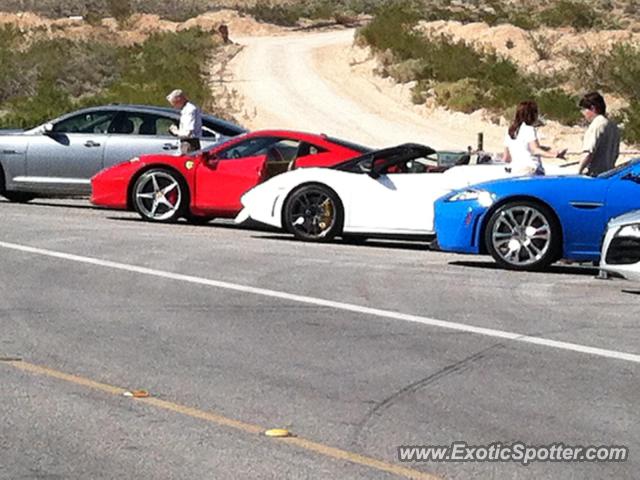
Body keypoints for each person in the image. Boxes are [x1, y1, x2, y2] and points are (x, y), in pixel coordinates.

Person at [503, 100, 566, 176]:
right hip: (531, 170)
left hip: (516, 171)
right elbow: (534, 150)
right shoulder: (529, 129)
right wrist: (554, 155)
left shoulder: (510, 131)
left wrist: (549, 150)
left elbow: (506, 157)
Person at [578, 92, 620, 176]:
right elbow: (615, 153)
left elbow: (588, 153)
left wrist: (578, 171)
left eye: (584, 109)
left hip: (595, 176)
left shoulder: (596, 125)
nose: (583, 113)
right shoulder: (613, 126)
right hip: (609, 174)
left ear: (592, 108)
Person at [166, 89, 203, 154]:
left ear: (179, 99)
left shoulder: (189, 111)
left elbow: (187, 133)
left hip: (189, 144)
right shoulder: (187, 109)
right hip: (188, 143)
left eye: (174, 103)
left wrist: (175, 131)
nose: (174, 106)